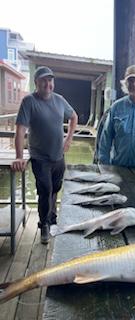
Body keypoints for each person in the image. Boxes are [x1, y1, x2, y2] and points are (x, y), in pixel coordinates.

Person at [11, 66, 78, 244]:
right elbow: (20, 131)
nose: (48, 84)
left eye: (50, 80)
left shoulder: (60, 100)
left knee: (55, 189)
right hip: (40, 158)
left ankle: (52, 218)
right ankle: (44, 225)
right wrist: (19, 156)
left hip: (58, 156)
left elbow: (74, 117)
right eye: (44, 80)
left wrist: (69, 139)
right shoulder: (29, 102)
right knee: (45, 190)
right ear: (36, 83)